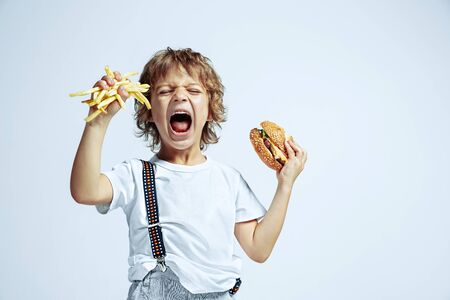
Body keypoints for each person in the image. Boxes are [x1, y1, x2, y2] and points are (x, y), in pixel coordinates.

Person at [70, 47, 307, 300]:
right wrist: (97, 122)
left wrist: (285, 185)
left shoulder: (229, 180)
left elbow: (259, 249)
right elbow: (85, 191)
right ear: (149, 111)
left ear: (210, 110)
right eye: (165, 91)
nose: (180, 97)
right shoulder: (136, 175)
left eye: (193, 91)